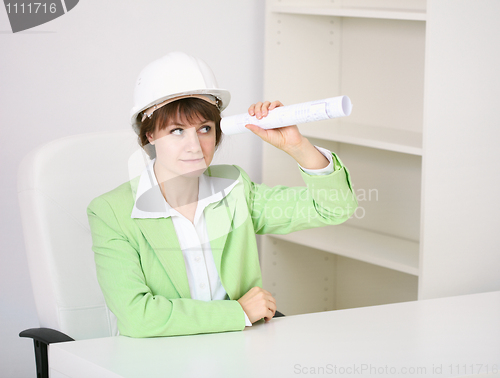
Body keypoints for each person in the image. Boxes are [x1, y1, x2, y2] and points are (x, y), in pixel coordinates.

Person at [87, 52, 357, 338]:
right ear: (150, 135)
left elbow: (334, 208)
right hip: (161, 359)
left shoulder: (235, 188)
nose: (194, 146)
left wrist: (297, 146)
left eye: (204, 129)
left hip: (241, 350)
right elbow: (138, 317)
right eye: (177, 131)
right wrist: (239, 313)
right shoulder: (110, 212)